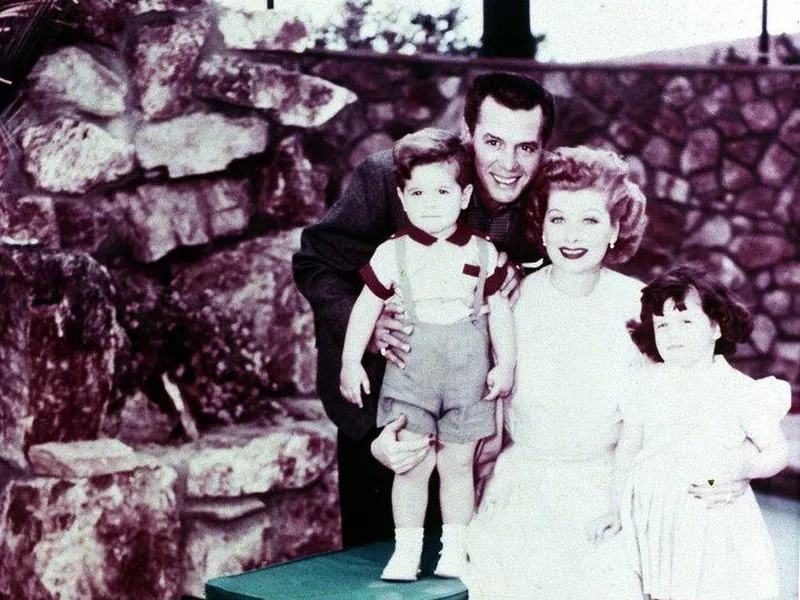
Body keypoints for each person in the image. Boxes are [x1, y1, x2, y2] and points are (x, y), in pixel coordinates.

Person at [292, 72, 555, 547]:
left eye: (527, 147)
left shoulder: (547, 197)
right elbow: (316, 261)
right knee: (382, 567)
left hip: (477, 414)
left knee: (471, 567)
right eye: (494, 142)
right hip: (387, 412)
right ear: (467, 133)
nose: (510, 164)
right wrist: (370, 326)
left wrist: (519, 273)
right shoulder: (392, 174)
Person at [463, 145, 648, 600]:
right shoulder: (516, 299)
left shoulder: (638, 304)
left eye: (590, 220)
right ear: (541, 229)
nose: (572, 234)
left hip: (605, 487)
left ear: (615, 229)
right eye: (558, 218)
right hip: (522, 486)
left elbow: (659, 410)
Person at [339, 128, 515, 580]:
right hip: (410, 373)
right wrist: (350, 361)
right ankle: (407, 551)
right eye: (417, 192)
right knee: (413, 462)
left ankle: (455, 548)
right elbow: (365, 308)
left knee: (458, 463)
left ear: (463, 196)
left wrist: (506, 363)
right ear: (402, 197)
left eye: (442, 191)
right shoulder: (390, 252)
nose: (430, 202)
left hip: (468, 373)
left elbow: (499, 311)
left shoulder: (483, 250)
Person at [608, 264, 790, 600]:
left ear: (716, 327)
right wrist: (615, 506)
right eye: (662, 325)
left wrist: (747, 469)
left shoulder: (738, 390)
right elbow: (628, 448)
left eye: (685, 321)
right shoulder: (645, 384)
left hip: (707, 503)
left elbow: (778, 450)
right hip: (652, 508)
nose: (672, 334)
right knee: (655, 587)